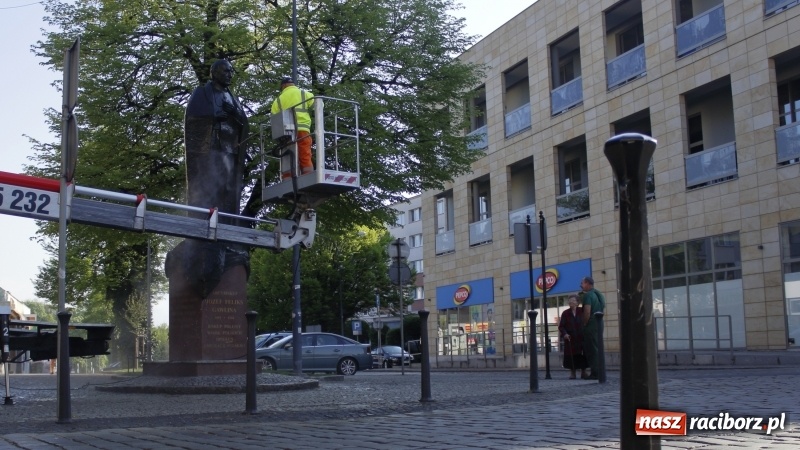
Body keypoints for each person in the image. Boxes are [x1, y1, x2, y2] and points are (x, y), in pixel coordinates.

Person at [271, 77, 315, 178]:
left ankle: (288, 176)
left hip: (286, 132)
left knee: (287, 154)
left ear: (283, 86)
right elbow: (319, 105)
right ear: (293, 84)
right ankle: (308, 174)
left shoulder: (278, 100)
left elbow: (274, 117)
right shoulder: (305, 94)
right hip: (303, 129)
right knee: (304, 152)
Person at [580, 276, 606, 380]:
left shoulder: (588, 296)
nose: (581, 285)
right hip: (599, 324)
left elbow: (587, 311)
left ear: (587, 283)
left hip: (591, 325)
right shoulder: (599, 294)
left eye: (582, 283)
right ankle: (600, 371)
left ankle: (595, 372)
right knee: (598, 347)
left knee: (592, 349)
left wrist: (585, 323)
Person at [559, 294, 588, 379]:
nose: (571, 302)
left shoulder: (581, 311)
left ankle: (583, 372)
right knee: (571, 356)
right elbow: (561, 326)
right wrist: (565, 334)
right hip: (570, 337)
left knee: (582, 355)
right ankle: (573, 373)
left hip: (581, 336)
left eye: (573, 301)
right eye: (570, 301)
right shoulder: (565, 313)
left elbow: (586, 322)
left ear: (577, 302)